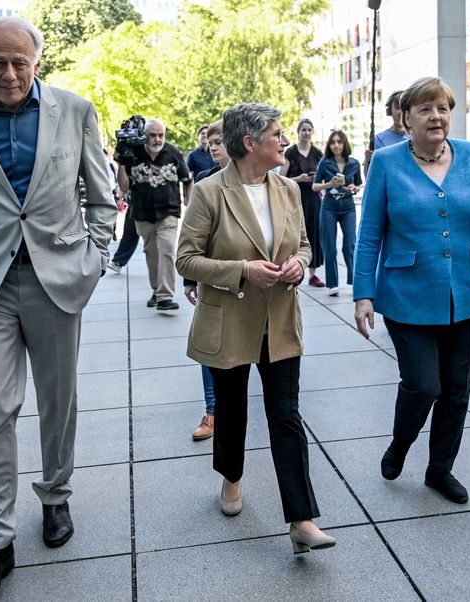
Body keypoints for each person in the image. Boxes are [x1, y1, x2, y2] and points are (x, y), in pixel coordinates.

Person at [0, 16, 117, 597]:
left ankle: (56, 496)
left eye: (20, 62)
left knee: (57, 398)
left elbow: (101, 195)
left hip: (57, 278)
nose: (9, 74)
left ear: (37, 61)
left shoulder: (75, 109)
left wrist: (93, 256)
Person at [176, 102, 336, 555]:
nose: (284, 141)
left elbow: (304, 246)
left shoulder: (287, 189)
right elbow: (186, 259)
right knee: (231, 411)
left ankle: (302, 519)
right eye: (276, 134)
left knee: (286, 416)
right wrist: (242, 269)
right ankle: (231, 476)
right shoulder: (209, 193)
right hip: (229, 320)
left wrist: (298, 266)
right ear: (250, 143)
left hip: (280, 321)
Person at [354, 77, 470, 505]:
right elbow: (369, 233)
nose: (436, 116)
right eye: (425, 109)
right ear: (406, 118)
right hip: (407, 294)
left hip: (468, 289)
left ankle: (439, 468)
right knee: (423, 385)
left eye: (442, 108)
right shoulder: (386, 162)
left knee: (456, 388)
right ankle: (400, 444)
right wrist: (362, 293)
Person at [108, 119, 192, 312]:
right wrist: (122, 162)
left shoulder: (172, 153)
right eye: (152, 135)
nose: (157, 139)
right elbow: (124, 186)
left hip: (168, 211)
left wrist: (190, 199)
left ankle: (165, 296)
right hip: (142, 213)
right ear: (145, 135)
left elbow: (187, 178)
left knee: (167, 251)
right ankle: (157, 291)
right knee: (152, 254)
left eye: (160, 135)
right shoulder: (134, 153)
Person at [186, 119, 230, 441]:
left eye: (219, 141)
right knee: (208, 346)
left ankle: (232, 407)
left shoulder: (261, 181)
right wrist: (189, 279)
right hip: (211, 275)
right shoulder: (203, 180)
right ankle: (213, 410)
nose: (213, 146)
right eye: (210, 142)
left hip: (248, 280)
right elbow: (192, 238)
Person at [312, 129, 361, 296]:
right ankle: (332, 284)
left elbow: (359, 185)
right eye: (333, 142)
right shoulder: (325, 162)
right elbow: (315, 186)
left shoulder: (354, 163)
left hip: (348, 207)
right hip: (329, 208)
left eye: (339, 142)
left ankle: (355, 281)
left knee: (350, 245)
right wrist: (329, 185)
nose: (336, 145)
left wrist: (354, 188)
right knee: (329, 246)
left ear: (345, 143)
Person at [281, 118, 325, 287]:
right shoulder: (290, 153)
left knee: (313, 233)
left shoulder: (317, 153)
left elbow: (323, 175)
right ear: (298, 132)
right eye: (303, 130)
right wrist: (298, 179)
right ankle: (293, 270)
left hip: (313, 197)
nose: (306, 133)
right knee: (295, 234)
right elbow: (281, 178)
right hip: (295, 196)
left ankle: (313, 273)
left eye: (309, 130)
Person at [363, 90, 407, 175]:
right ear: (390, 111)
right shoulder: (379, 139)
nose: (401, 112)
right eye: (398, 107)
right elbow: (370, 176)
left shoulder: (418, 136)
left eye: (404, 108)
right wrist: (368, 160)